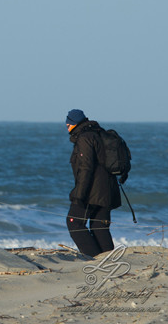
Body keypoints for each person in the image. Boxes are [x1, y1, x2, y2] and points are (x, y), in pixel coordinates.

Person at [65, 109, 121, 257]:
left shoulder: (85, 138)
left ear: (73, 124)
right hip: (108, 190)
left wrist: (79, 194)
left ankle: (94, 260)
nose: (66, 126)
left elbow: (86, 168)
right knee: (99, 226)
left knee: (74, 222)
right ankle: (109, 261)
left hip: (92, 192)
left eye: (68, 123)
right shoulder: (98, 132)